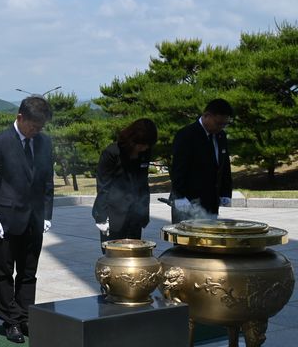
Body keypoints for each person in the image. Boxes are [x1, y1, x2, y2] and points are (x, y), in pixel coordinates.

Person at [0, 96, 54, 343]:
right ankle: (10, 320)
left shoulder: (44, 142)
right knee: (4, 271)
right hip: (6, 218)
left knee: (29, 272)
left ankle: (25, 316)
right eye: (33, 126)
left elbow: (47, 182)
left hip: (34, 218)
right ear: (20, 118)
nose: (35, 131)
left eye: (40, 127)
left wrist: (47, 214)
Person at [92, 119, 157, 250]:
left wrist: (144, 212)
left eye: (147, 145)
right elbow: (103, 186)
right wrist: (101, 217)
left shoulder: (145, 153)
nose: (144, 148)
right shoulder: (112, 153)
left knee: (134, 253)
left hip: (135, 213)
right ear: (132, 139)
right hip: (114, 213)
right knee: (114, 255)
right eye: (142, 144)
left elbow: (143, 182)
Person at [170, 99, 233, 224]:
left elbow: (224, 165)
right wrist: (180, 197)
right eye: (218, 123)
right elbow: (178, 169)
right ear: (207, 116)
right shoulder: (187, 135)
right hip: (188, 202)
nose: (221, 127)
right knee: (188, 241)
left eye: (224, 124)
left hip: (211, 202)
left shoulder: (221, 136)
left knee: (209, 240)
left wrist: (225, 192)